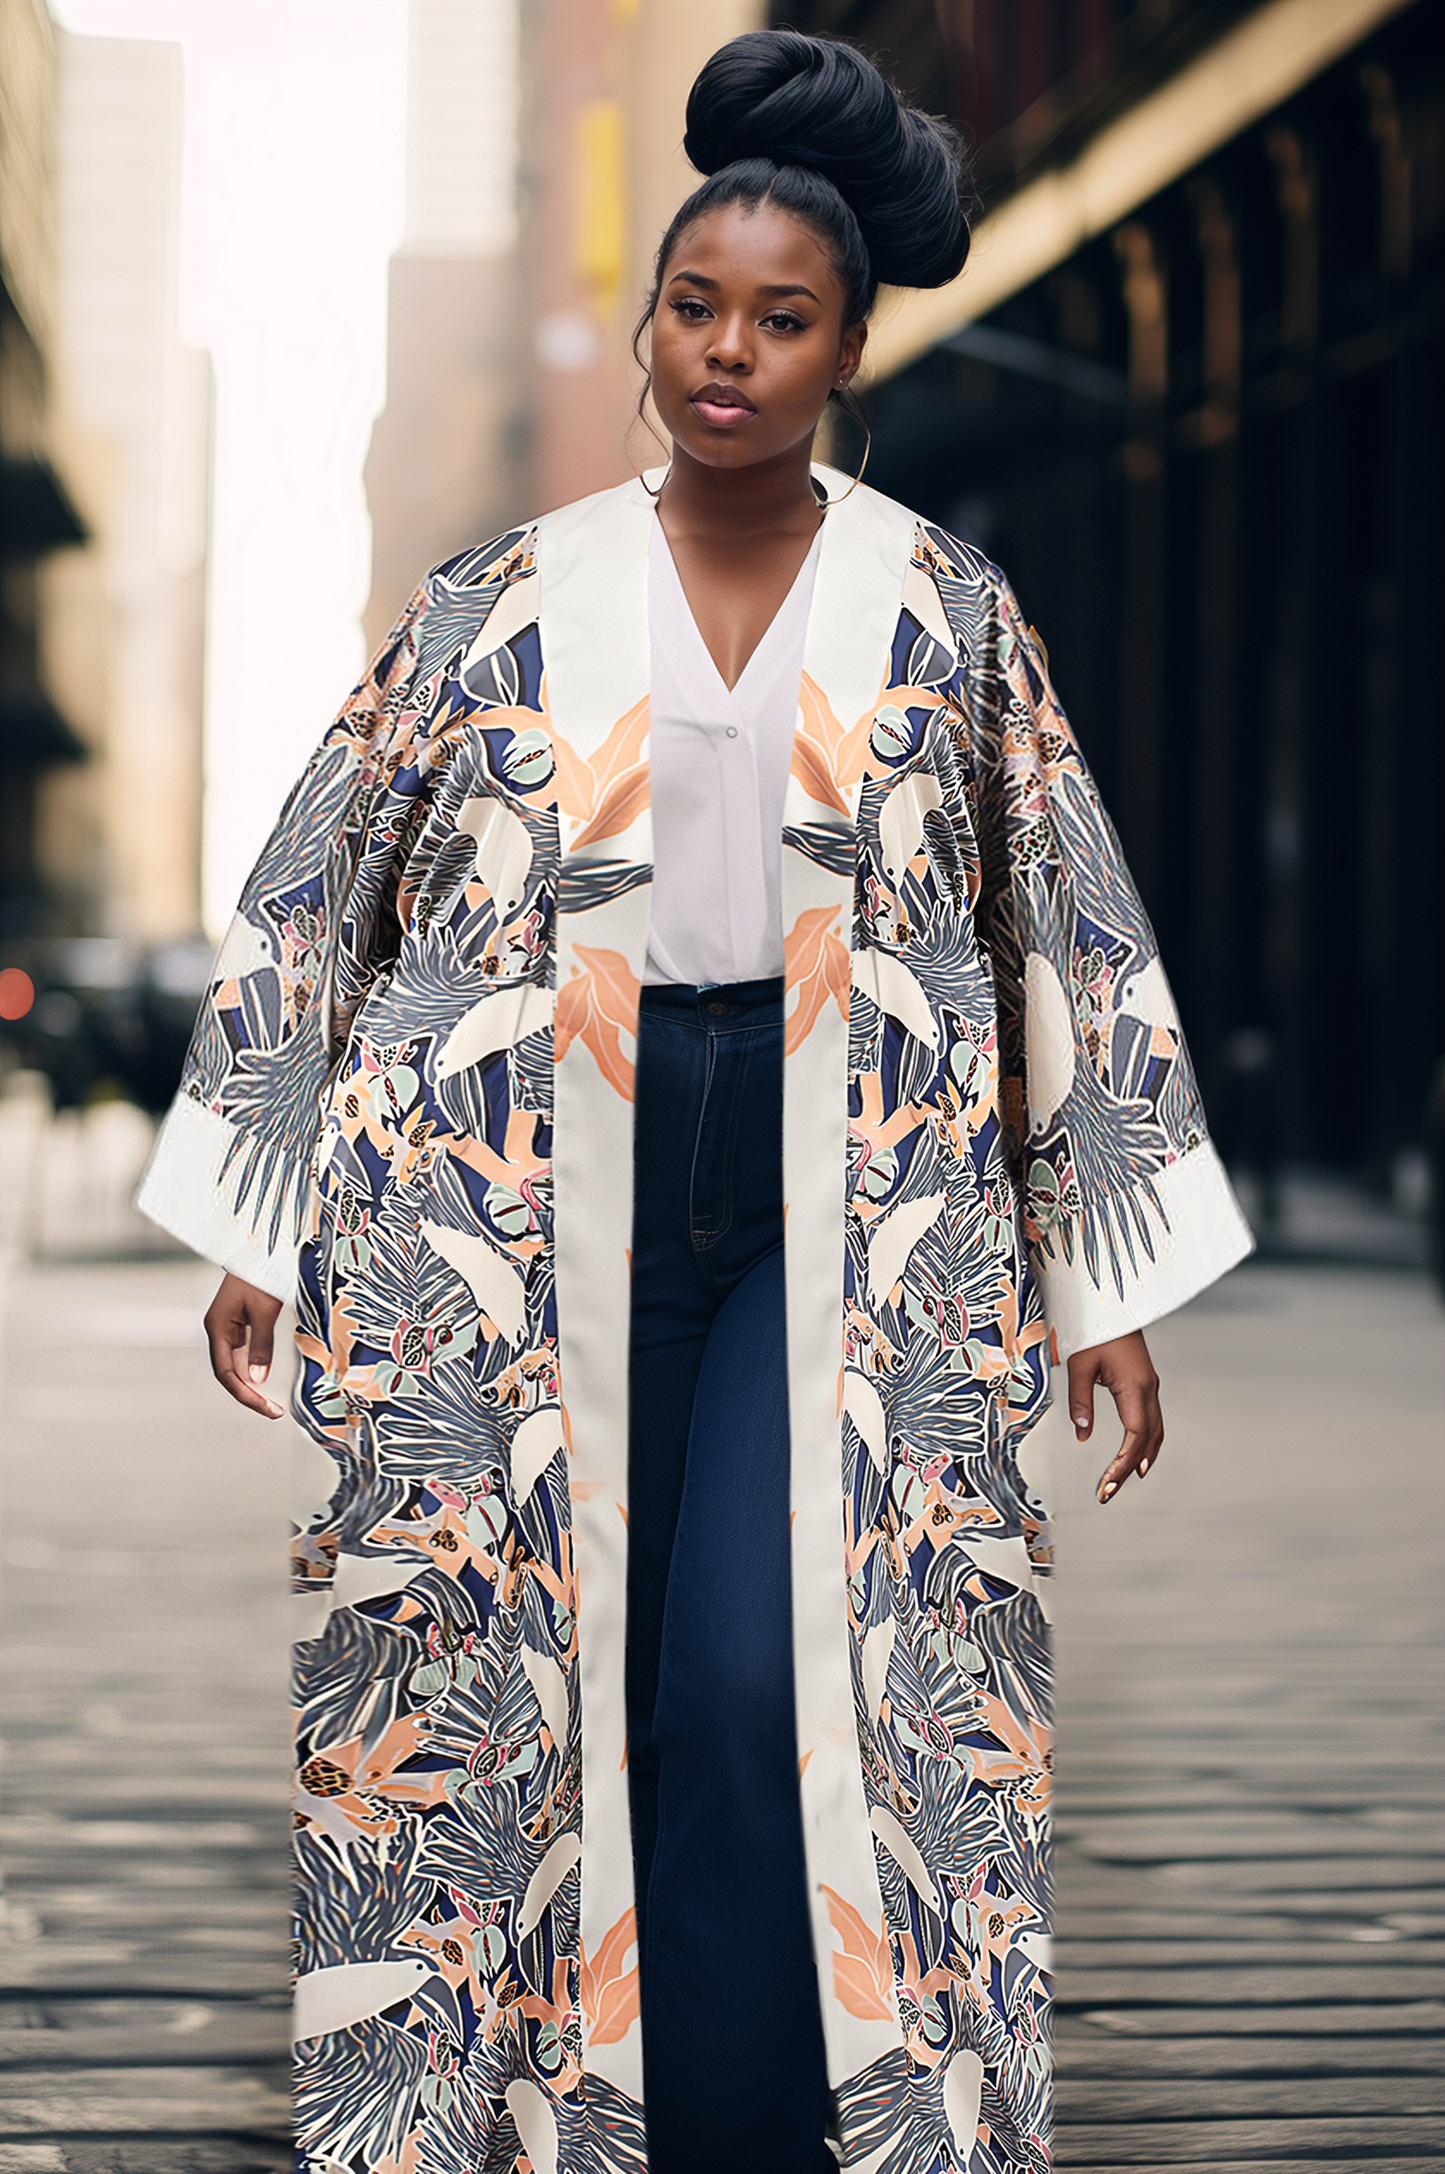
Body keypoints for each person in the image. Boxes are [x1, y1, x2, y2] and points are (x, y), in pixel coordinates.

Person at [138, 30, 1252, 2174]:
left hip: (850, 1199)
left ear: (848, 350)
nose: (727, 352)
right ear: (649, 322)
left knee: (763, 1673)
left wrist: (1098, 1280)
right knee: (546, 1679)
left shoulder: (943, 612)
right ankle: (568, 2121)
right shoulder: (497, 602)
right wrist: (264, 1217)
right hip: (523, 1186)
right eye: (693, 306)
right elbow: (323, 881)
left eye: (782, 318)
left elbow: (1062, 922)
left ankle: (769, 2130)